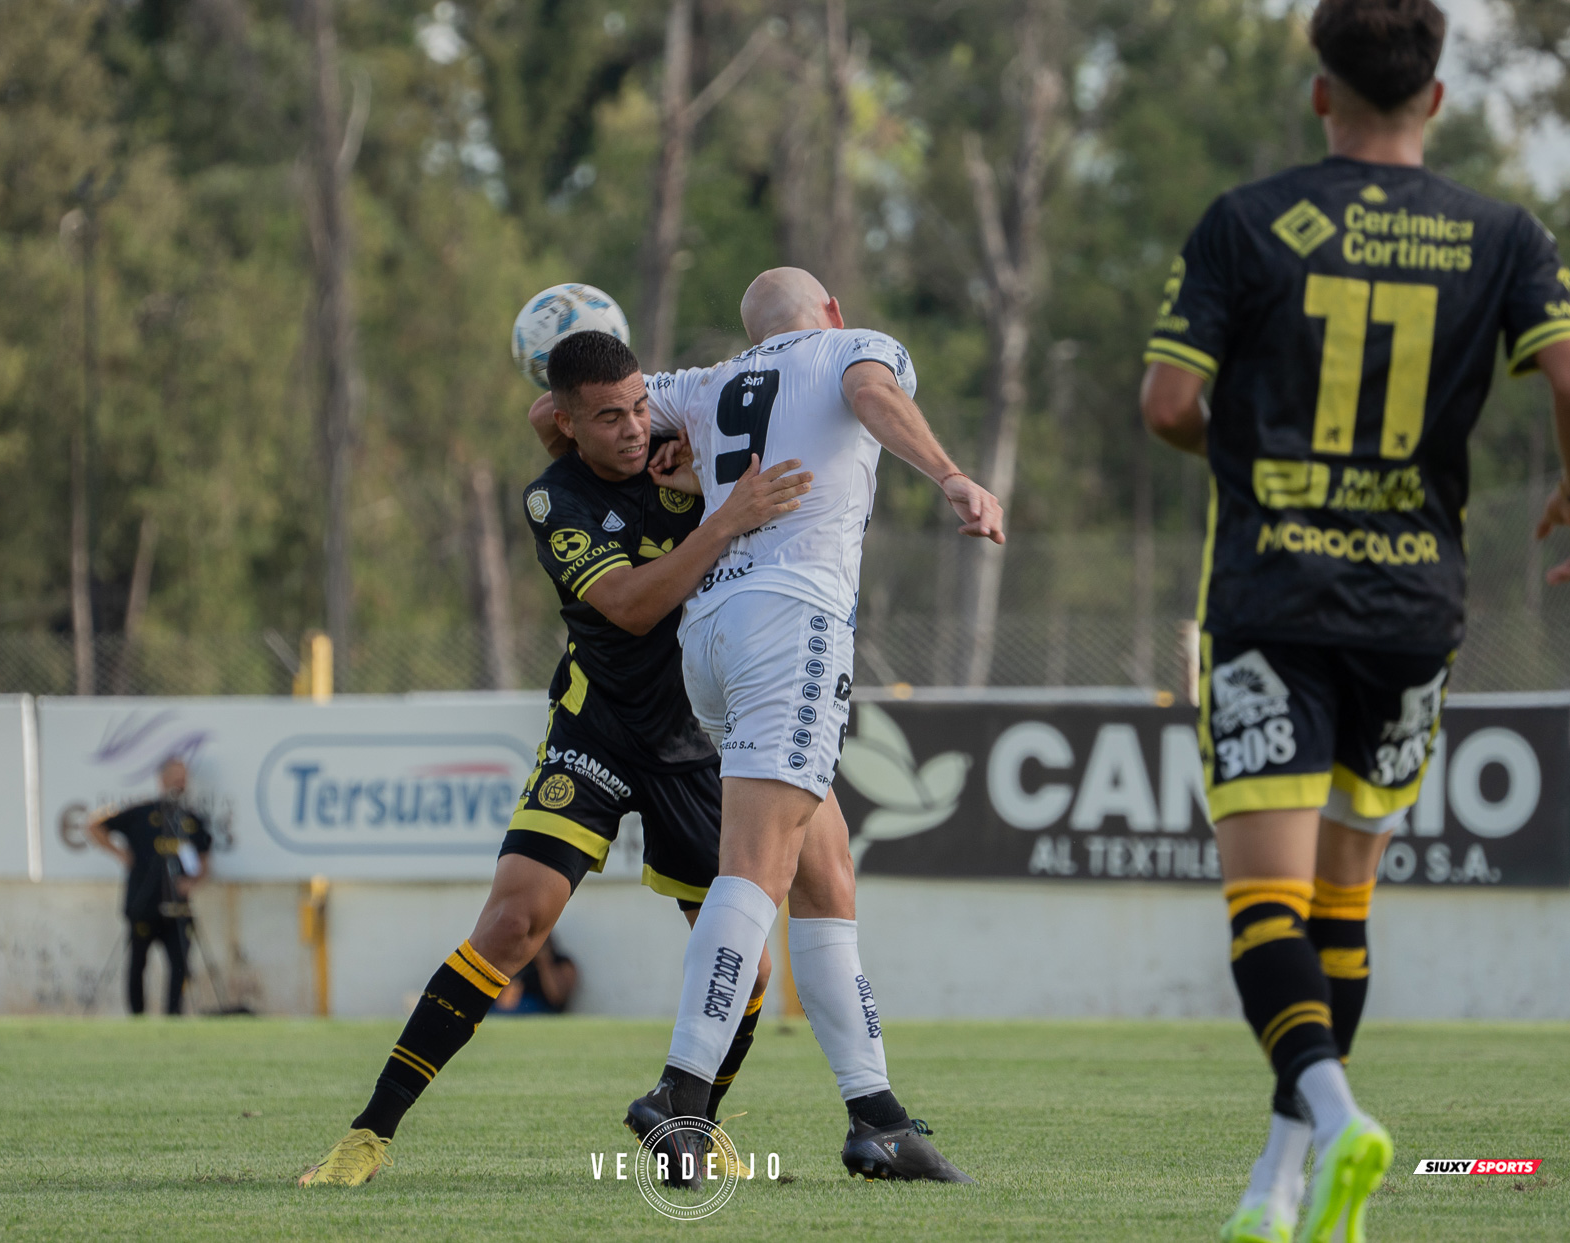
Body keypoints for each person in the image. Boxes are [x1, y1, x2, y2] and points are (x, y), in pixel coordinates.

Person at [1139, 1, 1570, 1238]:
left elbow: (1170, 405)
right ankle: (1279, 1191)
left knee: (1264, 908)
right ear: (1436, 97)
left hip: (1274, 599)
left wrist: (1256, 446)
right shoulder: (1504, 233)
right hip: (1413, 608)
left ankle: (1334, 1116)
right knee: (1345, 900)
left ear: (1319, 89)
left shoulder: (1249, 219)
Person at [296, 330, 814, 1187]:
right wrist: (726, 518)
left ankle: (693, 1127)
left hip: (690, 746)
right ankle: (367, 1135)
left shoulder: (683, 455)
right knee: (511, 924)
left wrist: (710, 487)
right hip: (597, 729)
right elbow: (633, 607)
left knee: (748, 960)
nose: (635, 428)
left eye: (642, 407)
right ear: (568, 426)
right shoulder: (555, 500)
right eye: (609, 416)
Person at [605, 267, 1001, 1185]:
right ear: (830, 313)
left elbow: (572, 412)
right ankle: (680, 1096)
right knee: (759, 865)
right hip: (792, 617)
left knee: (824, 872)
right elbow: (870, 392)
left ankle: (878, 1117)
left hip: (709, 632)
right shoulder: (851, 348)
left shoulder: (703, 385)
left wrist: (671, 452)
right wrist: (950, 475)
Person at [85, 756, 213, 1017]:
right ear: (162, 780)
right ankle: (137, 1017)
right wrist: (121, 855)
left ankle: (173, 1016)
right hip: (143, 904)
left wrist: (192, 882)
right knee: (137, 964)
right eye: (175, 776)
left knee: (179, 965)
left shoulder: (190, 819)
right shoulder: (142, 813)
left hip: (178, 908)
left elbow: (204, 860)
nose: (180, 782)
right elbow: (94, 824)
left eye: (184, 777)